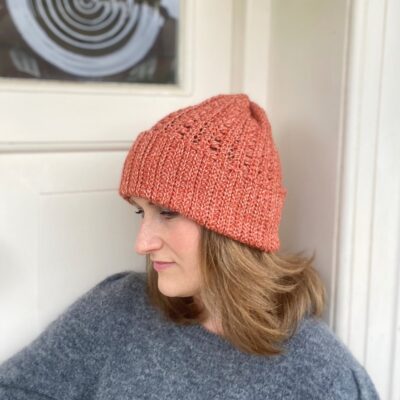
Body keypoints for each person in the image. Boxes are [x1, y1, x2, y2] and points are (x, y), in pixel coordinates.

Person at [0, 94, 379, 399]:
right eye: (141, 212)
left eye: (167, 212)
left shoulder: (321, 375)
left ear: (232, 229)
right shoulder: (119, 308)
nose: (141, 243)